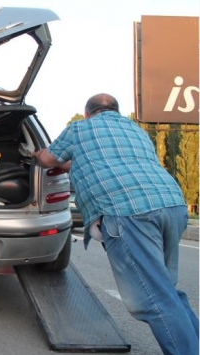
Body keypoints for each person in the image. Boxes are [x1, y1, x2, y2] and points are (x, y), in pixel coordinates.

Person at [33, 93, 199, 355]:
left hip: (129, 211)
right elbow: (96, 163)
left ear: (87, 113)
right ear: (116, 112)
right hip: (171, 204)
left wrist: (37, 152)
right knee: (166, 289)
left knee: (153, 299)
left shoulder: (80, 128)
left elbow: (48, 160)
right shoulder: (136, 131)